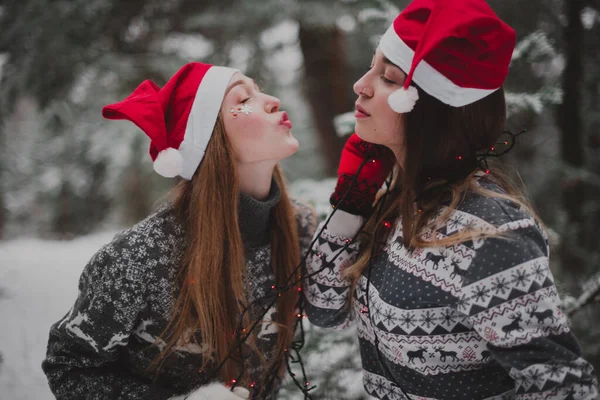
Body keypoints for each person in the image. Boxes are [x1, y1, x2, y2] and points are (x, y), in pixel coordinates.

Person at [304, 0, 599, 399]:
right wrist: (351, 201)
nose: (362, 84)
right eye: (372, 67)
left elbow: (563, 388)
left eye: (389, 78)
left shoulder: (490, 232)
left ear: (432, 111)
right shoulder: (397, 205)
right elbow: (325, 309)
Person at [42, 62, 316, 400]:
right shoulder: (138, 258)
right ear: (210, 139)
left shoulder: (300, 228)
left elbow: (331, 311)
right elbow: (69, 369)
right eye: (243, 98)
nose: (272, 100)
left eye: (259, 91)